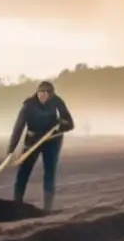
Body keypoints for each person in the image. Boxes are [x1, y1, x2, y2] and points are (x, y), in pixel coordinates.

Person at [6, 80, 74, 211]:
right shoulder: (28, 105)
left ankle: (47, 208)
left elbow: (70, 124)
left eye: (47, 93)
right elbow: (18, 128)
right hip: (33, 140)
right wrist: (11, 151)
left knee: (50, 172)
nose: (44, 96)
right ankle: (17, 204)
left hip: (52, 140)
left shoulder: (57, 101)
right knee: (24, 171)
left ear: (52, 95)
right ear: (37, 93)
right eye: (41, 93)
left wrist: (60, 127)